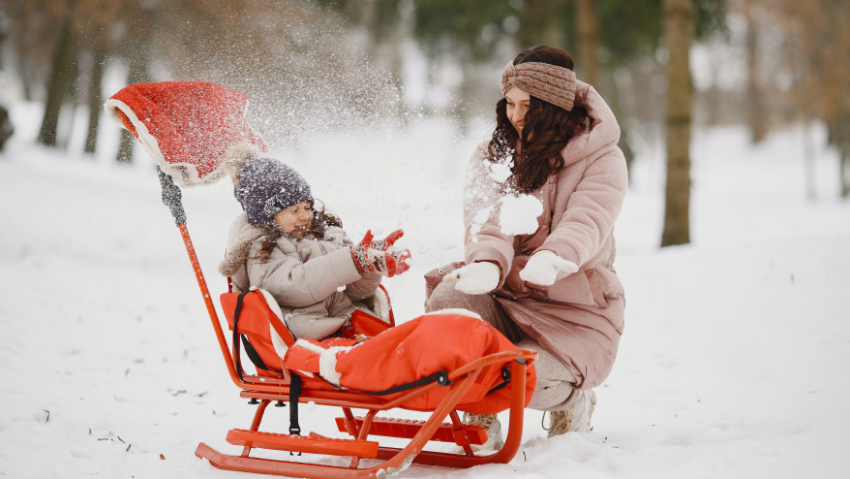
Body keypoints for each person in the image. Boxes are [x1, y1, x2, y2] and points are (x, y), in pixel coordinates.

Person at [425, 45, 628, 445]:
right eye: (510, 104)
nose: (515, 116)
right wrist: (487, 261)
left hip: (573, 315)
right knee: (449, 301)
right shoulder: (492, 154)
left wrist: (556, 256)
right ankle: (477, 412)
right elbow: (487, 217)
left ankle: (572, 400)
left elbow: (589, 219)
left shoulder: (604, 157)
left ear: (553, 105)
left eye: (527, 106)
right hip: (505, 297)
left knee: (520, 375)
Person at [219, 156, 411, 341]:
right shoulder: (264, 249)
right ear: (268, 216)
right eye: (294, 211)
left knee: (411, 343)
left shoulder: (330, 235)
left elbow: (356, 293)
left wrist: (371, 263)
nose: (305, 216)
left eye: (307, 207)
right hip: (310, 336)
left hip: (353, 325)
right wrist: (352, 260)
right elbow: (293, 286)